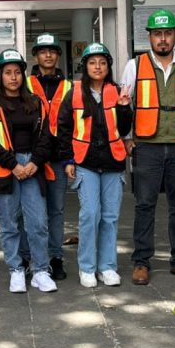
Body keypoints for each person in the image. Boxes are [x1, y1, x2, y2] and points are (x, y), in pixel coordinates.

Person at [119, 9, 175, 285]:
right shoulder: (135, 65)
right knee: (145, 204)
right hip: (147, 146)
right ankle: (142, 262)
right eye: (158, 34)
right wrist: (128, 136)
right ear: (150, 37)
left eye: (168, 33)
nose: (163, 39)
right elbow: (125, 103)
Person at [56, 42, 133, 288]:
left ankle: (107, 267)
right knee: (90, 215)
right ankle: (87, 267)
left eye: (102, 62)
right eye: (92, 62)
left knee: (110, 217)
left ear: (108, 66)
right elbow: (64, 128)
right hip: (85, 162)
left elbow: (124, 129)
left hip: (113, 162)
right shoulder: (75, 93)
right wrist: (68, 159)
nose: (97, 67)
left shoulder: (118, 91)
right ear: (85, 67)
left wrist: (123, 107)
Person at [0, 49, 56, 294]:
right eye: (7, 73)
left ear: (23, 75)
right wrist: (13, 165)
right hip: (6, 168)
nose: (13, 77)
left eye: (17, 73)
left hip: (33, 166)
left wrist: (34, 162)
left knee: (38, 223)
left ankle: (40, 270)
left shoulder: (36, 103)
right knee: (9, 223)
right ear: (0, 76)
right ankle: (16, 269)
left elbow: (47, 137)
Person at [27, 33, 73, 280]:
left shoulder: (68, 86)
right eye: (43, 51)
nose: (48, 55)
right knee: (30, 210)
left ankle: (56, 257)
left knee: (56, 210)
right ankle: (31, 257)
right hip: (31, 158)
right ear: (36, 55)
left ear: (57, 55)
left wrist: (69, 159)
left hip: (57, 157)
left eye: (52, 51)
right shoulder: (24, 83)